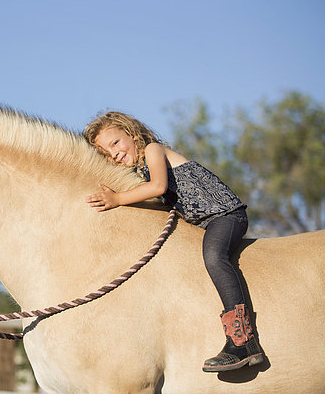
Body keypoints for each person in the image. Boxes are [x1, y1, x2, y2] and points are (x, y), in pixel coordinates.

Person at [84, 111, 264, 373]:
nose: (114, 154)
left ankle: (243, 341)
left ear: (132, 135)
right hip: (204, 224)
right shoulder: (140, 174)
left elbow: (158, 187)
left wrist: (118, 199)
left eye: (116, 143)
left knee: (214, 256)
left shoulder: (154, 151)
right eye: (105, 153)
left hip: (224, 214)